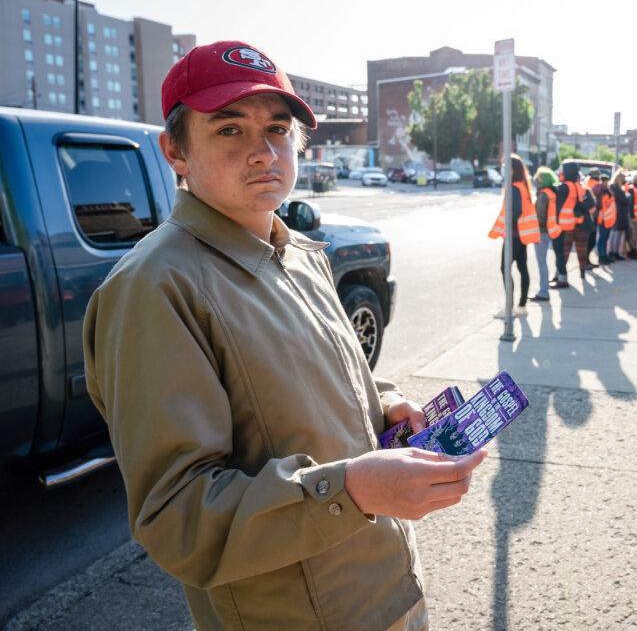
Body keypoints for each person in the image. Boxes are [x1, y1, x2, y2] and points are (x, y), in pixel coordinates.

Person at [82, 40, 484, 631]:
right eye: (228, 130)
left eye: (277, 128)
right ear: (176, 151)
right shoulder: (154, 287)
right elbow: (178, 516)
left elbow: (321, 376)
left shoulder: (297, 252)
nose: (262, 152)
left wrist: (387, 404)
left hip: (386, 588)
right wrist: (355, 491)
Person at [490, 153, 539, 313]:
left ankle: (510, 308)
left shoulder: (513, 187)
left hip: (514, 236)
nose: (503, 169)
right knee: (522, 268)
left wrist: (509, 227)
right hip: (522, 236)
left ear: (512, 170)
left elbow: (515, 211)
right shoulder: (522, 186)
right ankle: (522, 306)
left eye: (505, 167)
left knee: (505, 269)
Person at [558, 162, 594, 280]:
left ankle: (564, 274)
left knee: (570, 251)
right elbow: (590, 205)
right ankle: (577, 272)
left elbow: (590, 204)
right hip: (576, 225)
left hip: (573, 225)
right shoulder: (580, 189)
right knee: (575, 250)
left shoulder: (566, 188)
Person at [532, 166, 561, 301]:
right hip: (549, 230)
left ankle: (544, 291)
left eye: (538, 177)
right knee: (544, 261)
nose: (535, 180)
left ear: (543, 179)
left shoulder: (543, 195)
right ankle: (544, 289)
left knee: (541, 262)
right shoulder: (552, 193)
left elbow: (540, 217)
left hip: (541, 232)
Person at [608, 169, 630, 261]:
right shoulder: (615, 188)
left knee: (618, 234)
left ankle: (615, 253)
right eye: (624, 178)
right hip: (617, 214)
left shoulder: (616, 188)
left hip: (620, 214)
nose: (625, 180)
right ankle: (612, 253)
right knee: (615, 234)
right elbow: (624, 201)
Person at [593, 174, 614, 265]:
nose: (607, 183)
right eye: (606, 181)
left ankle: (603, 255)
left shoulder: (604, 191)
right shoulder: (604, 192)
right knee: (603, 238)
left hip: (606, 218)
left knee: (604, 238)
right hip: (604, 218)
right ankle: (601, 256)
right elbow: (603, 205)